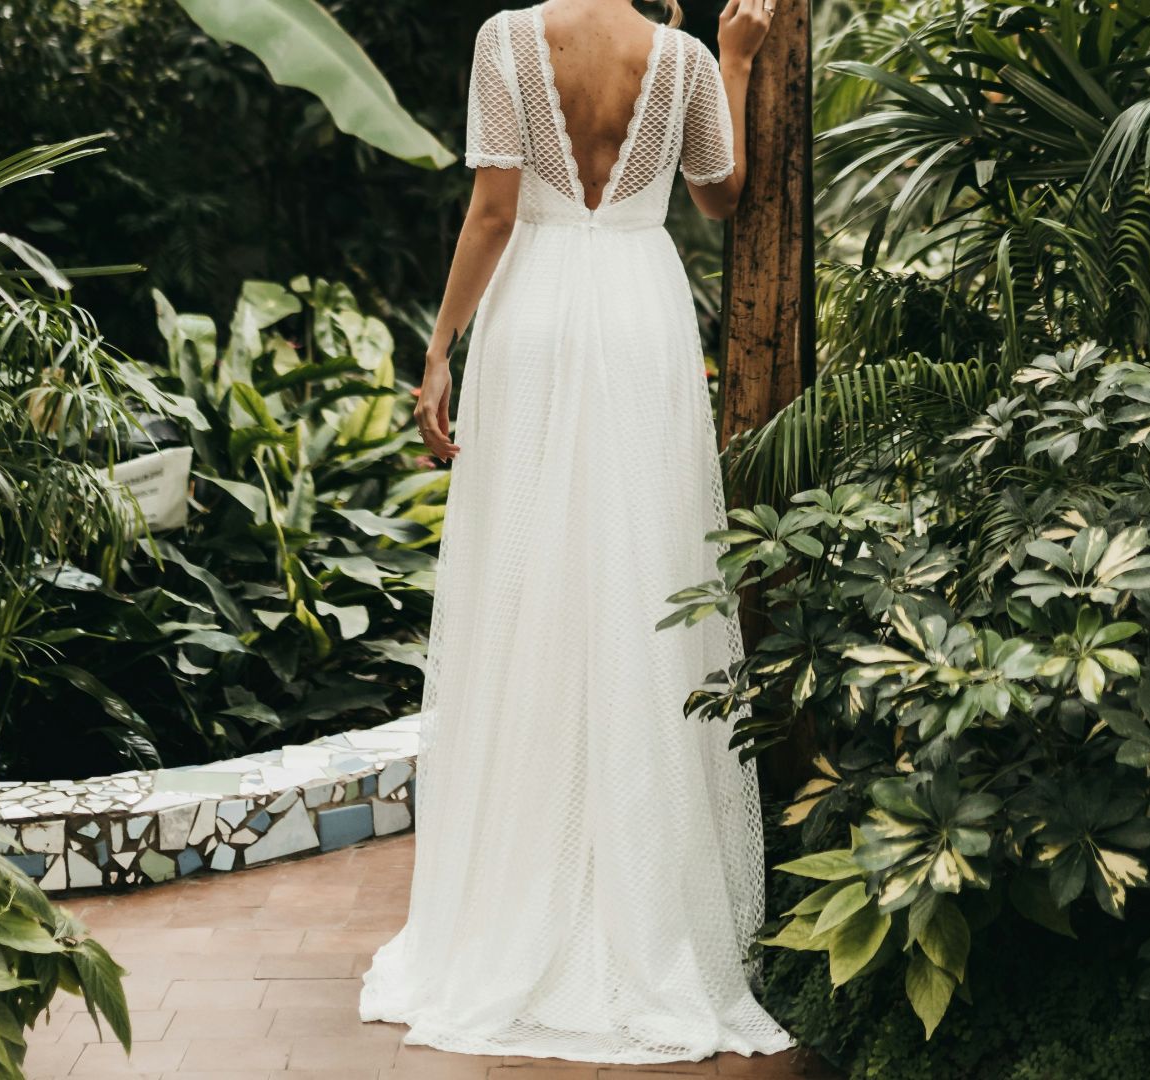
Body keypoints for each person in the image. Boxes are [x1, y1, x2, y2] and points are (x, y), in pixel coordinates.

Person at [356, 0, 792, 1065]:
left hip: (538, 321)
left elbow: (496, 212)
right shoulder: (686, 57)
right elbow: (721, 196)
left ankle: (519, 895)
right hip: (643, 320)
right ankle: (639, 902)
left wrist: (439, 346)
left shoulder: (508, 41)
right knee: (647, 583)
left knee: (527, 593)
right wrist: (734, 60)